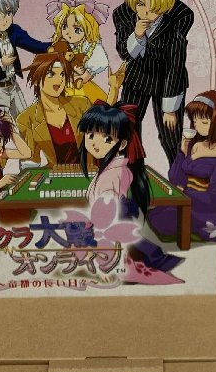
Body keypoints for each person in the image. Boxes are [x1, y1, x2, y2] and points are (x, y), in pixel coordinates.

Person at [77, 101, 185, 286]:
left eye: (107, 138)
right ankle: (151, 257)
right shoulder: (115, 168)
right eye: (91, 134)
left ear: (122, 144)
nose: (95, 143)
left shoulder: (114, 173)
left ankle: (130, 264)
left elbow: (107, 219)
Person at [112, 0, 194, 166]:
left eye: (153, 7)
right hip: (137, 78)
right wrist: (137, 35)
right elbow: (124, 53)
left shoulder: (175, 29)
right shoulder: (123, 16)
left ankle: (179, 172)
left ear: (164, 7)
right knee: (128, 127)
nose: (146, 12)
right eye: (141, 4)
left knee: (170, 133)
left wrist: (170, 110)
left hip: (167, 81)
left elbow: (175, 67)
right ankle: (130, 171)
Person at [149, 91, 216, 244]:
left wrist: (186, 195)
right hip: (186, 201)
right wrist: (182, 152)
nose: (197, 125)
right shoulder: (194, 144)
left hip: (206, 210)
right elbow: (175, 178)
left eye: (204, 122)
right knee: (154, 215)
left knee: (164, 223)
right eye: (194, 119)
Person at [16, 43, 91, 167]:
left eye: (62, 74)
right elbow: (32, 161)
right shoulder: (26, 119)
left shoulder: (82, 105)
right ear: (36, 79)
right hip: (55, 175)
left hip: (90, 172)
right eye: (51, 74)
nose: (59, 80)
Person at [46, 0, 125, 104]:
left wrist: (81, 76)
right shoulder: (62, 44)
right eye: (65, 26)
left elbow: (92, 70)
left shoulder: (92, 47)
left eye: (77, 29)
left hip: (82, 87)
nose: (69, 33)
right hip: (62, 84)